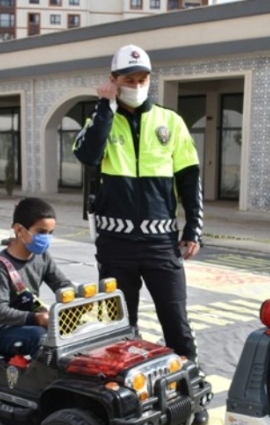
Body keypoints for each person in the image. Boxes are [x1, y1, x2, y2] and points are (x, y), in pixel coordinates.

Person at [72, 45, 203, 365]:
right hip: (115, 244)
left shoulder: (170, 121)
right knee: (119, 325)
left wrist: (194, 228)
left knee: (176, 322)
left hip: (160, 243)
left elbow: (189, 177)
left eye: (143, 79)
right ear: (113, 80)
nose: (137, 86)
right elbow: (87, 155)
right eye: (129, 80)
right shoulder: (101, 119)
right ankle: (125, 389)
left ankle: (191, 384)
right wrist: (105, 105)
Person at [0, 197, 72, 359]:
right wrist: (36, 318)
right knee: (42, 337)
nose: (46, 238)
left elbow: (61, 283)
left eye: (50, 233)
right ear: (19, 230)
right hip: (5, 329)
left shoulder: (42, 257)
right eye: (41, 232)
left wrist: (76, 295)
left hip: (33, 319)